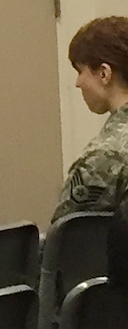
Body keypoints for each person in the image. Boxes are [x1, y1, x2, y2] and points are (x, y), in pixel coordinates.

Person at [55, 16, 128, 221]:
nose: (78, 83)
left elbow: (65, 239)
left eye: (80, 71)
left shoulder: (105, 156)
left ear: (104, 74)